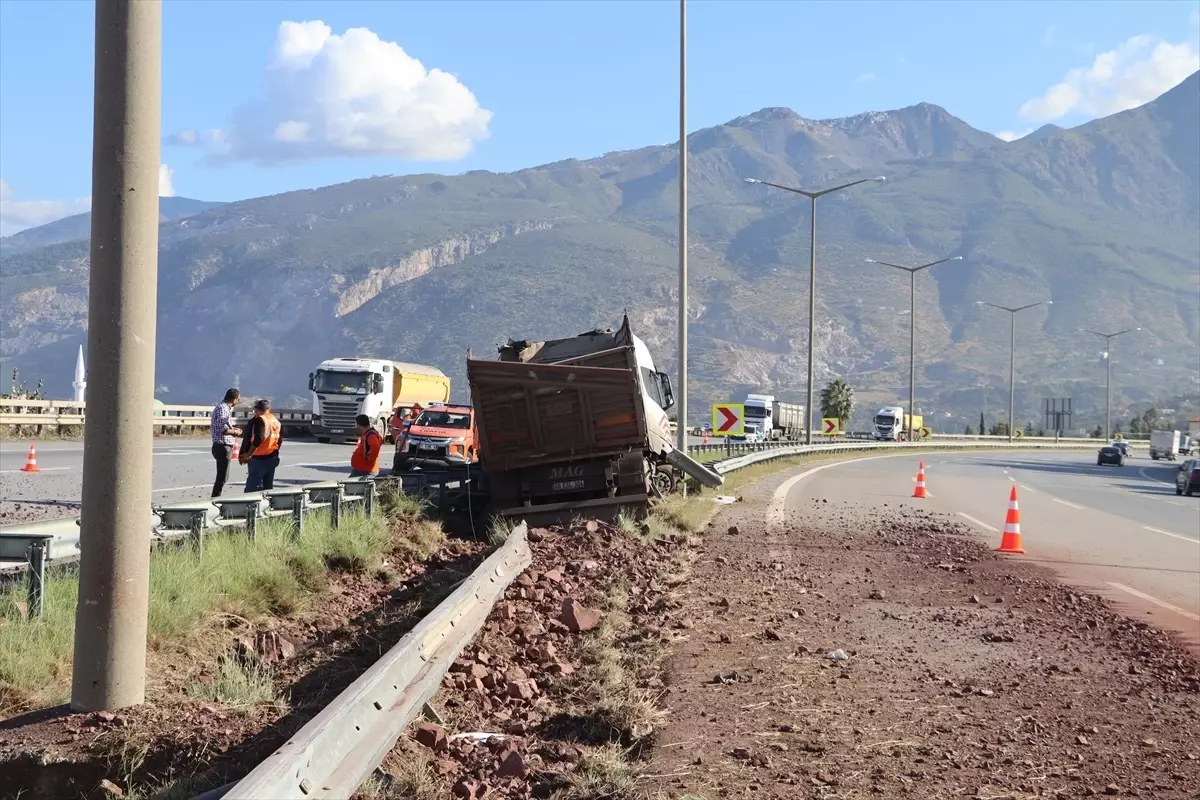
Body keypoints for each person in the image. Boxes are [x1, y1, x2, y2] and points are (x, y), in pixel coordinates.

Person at [240, 398, 282, 493]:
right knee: (267, 488)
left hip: (259, 458)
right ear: (269, 409)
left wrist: (249, 454)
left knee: (252, 487)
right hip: (272, 457)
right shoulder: (275, 421)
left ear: (257, 409)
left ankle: (248, 506)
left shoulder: (260, 419)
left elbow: (258, 438)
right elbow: (279, 440)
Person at [209, 388, 242, 497]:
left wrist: (233, 429)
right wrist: (235, 432)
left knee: (222, 476)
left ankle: (216, 497)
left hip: (222, 445)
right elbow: (221, 429)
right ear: (235, 399)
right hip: (222, 446)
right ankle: (215, 499)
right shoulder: (223, 408)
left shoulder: (224, 408)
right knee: (222, 477)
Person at [350, 413, 385, 478]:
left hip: (366, 471)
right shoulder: (368, 434)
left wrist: (369, 460)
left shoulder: (371, 435)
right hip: (361, 470)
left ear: (358, 425)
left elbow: (376, 447)